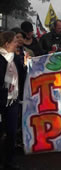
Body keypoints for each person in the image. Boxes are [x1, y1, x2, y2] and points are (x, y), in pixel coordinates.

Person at [0, 31, 26, 169]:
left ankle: (9, 161)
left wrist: (26, 65)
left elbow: (22, 76)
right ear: (7, 44)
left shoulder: (15, 58)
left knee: (11, 132)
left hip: (13, 101)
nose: (18, 44)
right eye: (15, 41)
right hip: (1, 101)